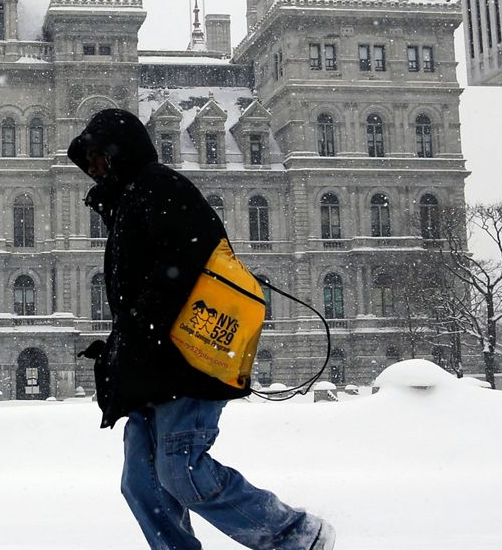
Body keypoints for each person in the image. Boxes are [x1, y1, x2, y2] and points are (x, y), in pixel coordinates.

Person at [68, 108, 334, 550]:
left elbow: (186, 263)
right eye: (89, 159)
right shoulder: (130, 199)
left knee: (182, 472)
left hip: (185, 360)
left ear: (120, 150)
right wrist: (121, 344)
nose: (92, 168)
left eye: (98, 155)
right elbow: (137, 292)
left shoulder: (159, 187)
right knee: (142, 485)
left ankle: (296, 536)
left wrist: (140, 329)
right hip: (150, 366)